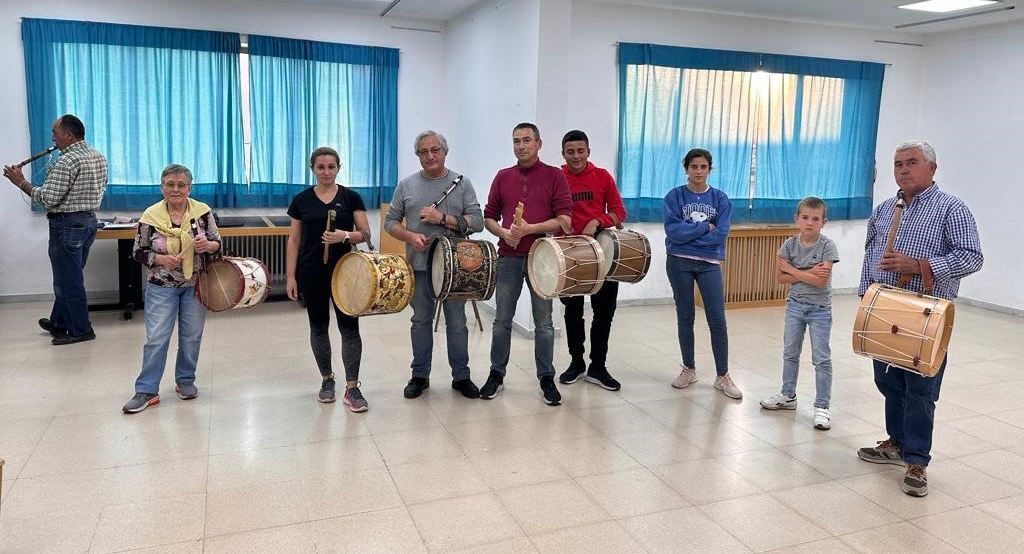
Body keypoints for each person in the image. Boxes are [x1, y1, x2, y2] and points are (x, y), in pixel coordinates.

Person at [856, 141, 982, 497]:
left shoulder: (951, 208)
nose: (903, 170)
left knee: (920, 390)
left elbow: (972, 257)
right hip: (884, 310)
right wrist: (866, 300)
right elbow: (870, 254)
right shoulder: (885, 209)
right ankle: (896, 442)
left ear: (932, 168)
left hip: (926, 314)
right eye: (898, 164)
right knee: (888, 382)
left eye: (911, 162)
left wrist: (921, 265)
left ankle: (916, 460)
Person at [386, 131, 484, 400]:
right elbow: (390, 222)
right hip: (419, 266)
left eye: (435, 150)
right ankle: (420, 375)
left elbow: (477, 222)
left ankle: (461, 376)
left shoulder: (462, 183)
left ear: (445, 152)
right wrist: (410, 236)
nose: (430, 156)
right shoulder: (406, 185)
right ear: (417, 155)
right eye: (423, 151)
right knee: (420, 321)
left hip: (456, 269)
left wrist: (443, 219)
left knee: (457, 323)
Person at [482, 122, 573, 405]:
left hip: (542, 258)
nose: (521, 146)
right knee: (501, 321)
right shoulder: (502, 176)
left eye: (526, 140)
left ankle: (546, 378)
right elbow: (489, 217)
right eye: (516, 141)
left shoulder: (555, 175)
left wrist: (530, 229)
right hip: (508, 258)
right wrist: (504, 233)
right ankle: (496, 374)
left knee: (544, 323)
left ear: (538, 144)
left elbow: (564, 220)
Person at [121, 164, 222, 413]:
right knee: (156, 338)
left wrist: (207, 246)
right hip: (161, 286)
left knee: (191, 336)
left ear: (189, 188)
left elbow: (217, 243)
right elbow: (138, 252)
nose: (175, 189)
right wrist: (161, 259)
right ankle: (146, 390)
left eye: (181, 185)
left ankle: (185, 380)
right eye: (170, 184)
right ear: (161, 187)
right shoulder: (150, 216)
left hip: (196, 284)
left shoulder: (202, 212)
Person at [3, 114, 108, 345]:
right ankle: (59, 322)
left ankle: (81, 330)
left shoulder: (66, 162)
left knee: (68, 281)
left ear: (68, 135)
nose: (52, 137)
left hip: (67, 226)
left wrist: (20, 182)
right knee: (69, 276)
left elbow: (48, 199)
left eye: (55, 132)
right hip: (88, 222)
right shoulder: (97, 156)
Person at [286, 146, 372, 412]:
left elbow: (365, 234)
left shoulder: (351, 197)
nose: (326, 172)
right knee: (319, 326)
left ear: (338, 168)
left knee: (349, 328)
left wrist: (343, 236)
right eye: (320, 167)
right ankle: (327, 380)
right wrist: (290, 276)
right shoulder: (301, 200)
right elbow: (294, 240)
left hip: (345, 272)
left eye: (331, 167)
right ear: (312, 168)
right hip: (311, 271)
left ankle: (352, 387)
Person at [664, 148, 742, 399]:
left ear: (710, 169)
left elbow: (721, 233)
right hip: (679, 261)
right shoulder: (674, 196)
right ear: (686, 169)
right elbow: (673, 231)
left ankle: (722, 375)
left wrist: (691, 235)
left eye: (703, 167)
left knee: (717, 319)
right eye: (693, 166)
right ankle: (688, 368)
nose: (698, 171)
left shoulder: (720, 198)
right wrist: (704, 228)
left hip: (709, 263)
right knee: (685, 316)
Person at [760, 197, 840, 430]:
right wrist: (809, 271)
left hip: (820, 310)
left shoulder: (827, 246)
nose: (809, 222)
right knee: (790, 352)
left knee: (821, 358)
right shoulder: (788, 246)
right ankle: (788, 395)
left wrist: (793, 270)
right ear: (797, 219)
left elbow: (819, 281)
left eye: (815, 219)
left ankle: (822, 406)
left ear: (823, 222)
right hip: (795, 306)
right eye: (805, 217)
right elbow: (780, 278)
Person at [556, 130, 626, 391]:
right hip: (569, 254)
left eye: (580, 151)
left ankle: (598, 366)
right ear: (563, 154)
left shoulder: (603, 176)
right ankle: (576, 363)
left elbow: (619, 212)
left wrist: (597, 221)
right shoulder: (557, 178)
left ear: (588, 151)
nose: (576, 156)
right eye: (570, 151)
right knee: (572, 312)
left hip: (602, 252)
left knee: (604, 313)